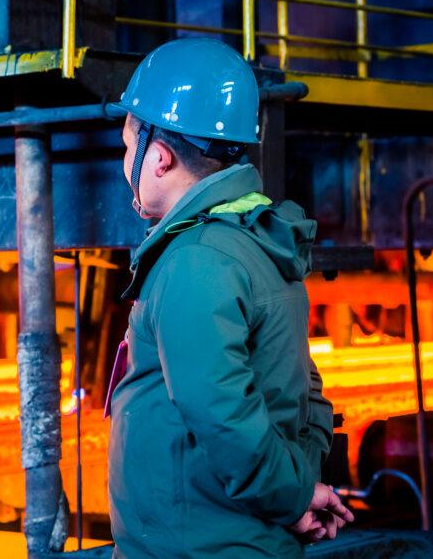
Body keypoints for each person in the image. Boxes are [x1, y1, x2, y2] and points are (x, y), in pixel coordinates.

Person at [104, 38, 354, 557]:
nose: (123, 159)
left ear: (159, 156)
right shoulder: (254, 239)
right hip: (240, 536)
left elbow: (221, 415)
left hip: (198, 545)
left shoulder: (196, 259)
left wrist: (293, 496)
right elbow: (305, 390)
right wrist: (299, 490)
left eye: (128, 145)